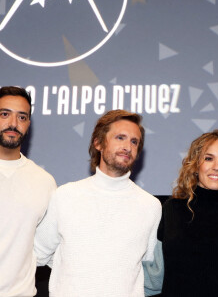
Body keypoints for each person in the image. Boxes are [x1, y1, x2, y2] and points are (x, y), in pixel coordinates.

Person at [34, 109, 162, 297]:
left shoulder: (151, 206)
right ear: (98, 143)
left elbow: (146, 263)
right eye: (120, 137)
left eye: (134, 141)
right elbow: (38, 254)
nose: (128, 146)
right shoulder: (65, 196)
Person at [146, 129, 218, 296]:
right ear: (196, 164)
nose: (217, 167)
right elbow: (158, 273)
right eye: (208, 158)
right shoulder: (172, 209)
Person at [0, 86, 56, 296]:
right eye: (4, 114)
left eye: (21, 117)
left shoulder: (44, 182)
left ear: (29, 124)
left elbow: (49, 251)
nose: (13, 124)